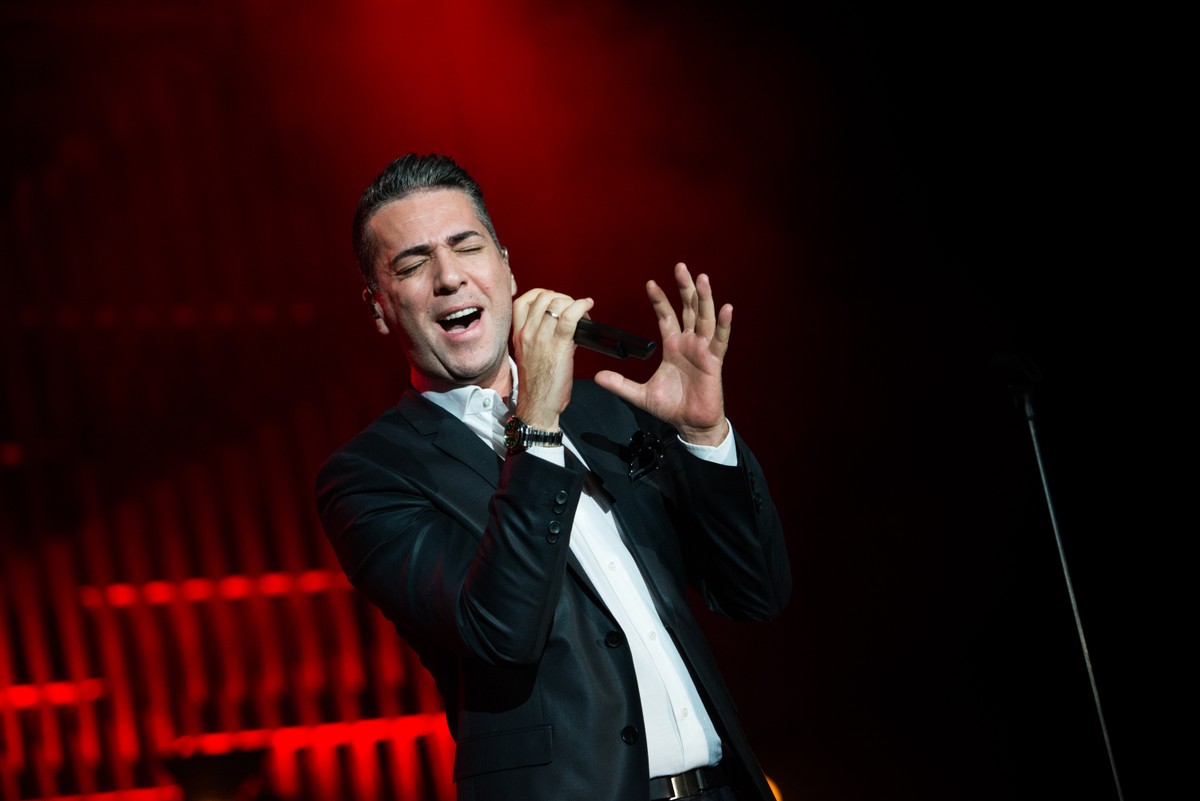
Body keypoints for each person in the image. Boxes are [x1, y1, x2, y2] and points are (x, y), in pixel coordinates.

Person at [315, 153, 791, 801]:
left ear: (507, 268)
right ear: (379, 308)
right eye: (412, 264)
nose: (449, 276)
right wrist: (536, 422)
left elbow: (755, 593)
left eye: (467, 247)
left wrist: (706, 438)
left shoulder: (604, 410)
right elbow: (499, 629)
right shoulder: (370, 476)